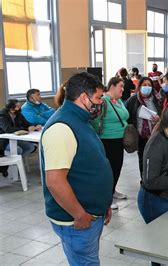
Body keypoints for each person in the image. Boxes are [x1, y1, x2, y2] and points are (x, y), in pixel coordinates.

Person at [41, 72, 113, 265]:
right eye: (98, 98)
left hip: (91, 212)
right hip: (77, 220)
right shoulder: (62, 128)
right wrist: (80, 215)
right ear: (83, 97)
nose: (100, 103)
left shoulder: (80, 121)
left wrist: (103, 203)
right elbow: (55, 181)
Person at [91, 77, 130, 209]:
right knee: (110, 170)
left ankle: (113, 190)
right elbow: (95, 121)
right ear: (112, 86)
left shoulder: (119, 101)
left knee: (117, 167)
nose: (123, 89)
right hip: (108, 140)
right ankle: (107, 197)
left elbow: (125, 116)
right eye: (120, 86)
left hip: (119, 140)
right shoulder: (103, 101)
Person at [125, 77, 163, 175]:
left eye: (149, 85)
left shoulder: (157, 99)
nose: (147, 87)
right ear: (140, 86)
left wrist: (159, 119)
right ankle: (144, 179)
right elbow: (127, 115)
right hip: (140, 136)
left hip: (155, 135)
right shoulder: (133, 100)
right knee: (142, 158)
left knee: (156, 158)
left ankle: (154, 177)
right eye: (144, 85)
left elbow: (163, 114)